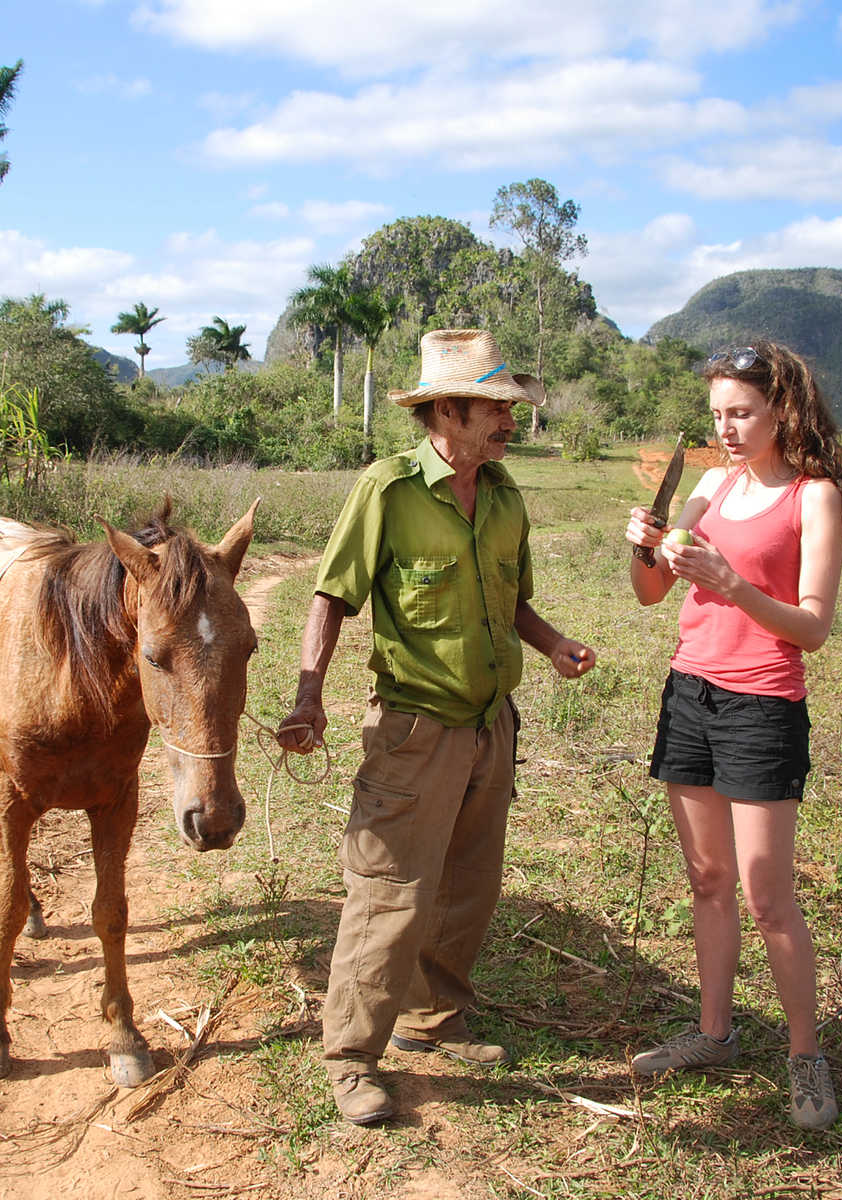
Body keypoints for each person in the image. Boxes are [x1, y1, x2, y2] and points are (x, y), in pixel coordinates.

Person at [277, 328, 596, 1126]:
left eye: (510, 409)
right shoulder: (386, 491)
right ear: (446, 412)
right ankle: (350, 1058)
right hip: (416, 731)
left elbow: (512, 598)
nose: (509, 423)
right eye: (494, 409)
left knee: (469, 886)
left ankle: (433, 1021)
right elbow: (331, 596)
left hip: (494, 725)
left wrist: (552, 643)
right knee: (390, 894)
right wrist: (310, 693)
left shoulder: (505, 495)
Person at [623, 341, 842, 1131]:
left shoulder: (814, 497)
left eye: (740, 413)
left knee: (768, 896)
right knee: (706, 880)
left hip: (762, 705)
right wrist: (644, 545)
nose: (726, 429)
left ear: (781, 411)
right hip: (690, 692)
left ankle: (806, 1056)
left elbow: (814, 626)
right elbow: (651, 593)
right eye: (717, 415)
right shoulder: (711, 484)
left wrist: (733, 582)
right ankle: (714, 1032)